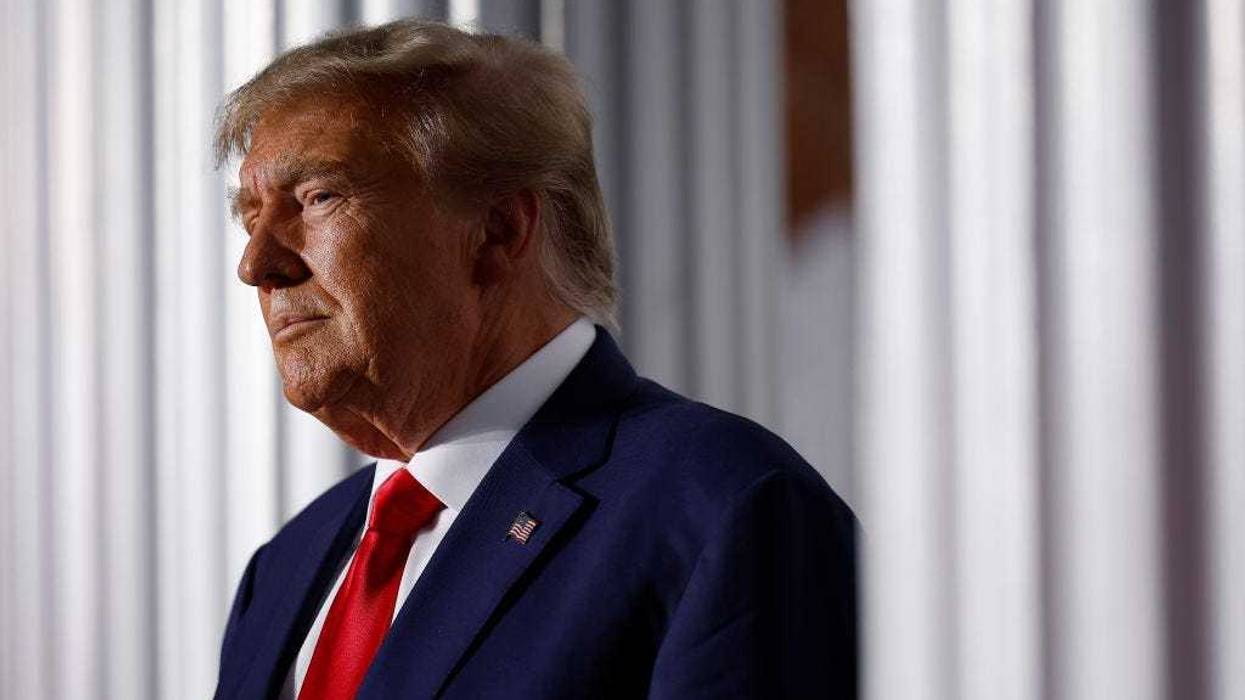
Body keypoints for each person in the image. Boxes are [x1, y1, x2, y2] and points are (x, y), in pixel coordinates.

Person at [212, 19, 856, 700]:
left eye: (319, 197)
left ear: (499, 229)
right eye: (250, 216)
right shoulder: (285, 568)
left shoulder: (728, 507)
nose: (257, 264)